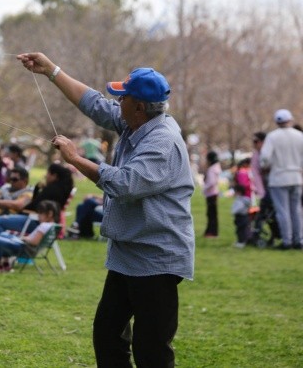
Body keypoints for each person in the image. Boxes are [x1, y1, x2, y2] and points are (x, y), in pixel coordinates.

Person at [18, 52, 195, 367]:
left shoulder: (162, 142)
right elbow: (95, 104)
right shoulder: (136, 122)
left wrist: (74, 158)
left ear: (139, 107)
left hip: (157, 256)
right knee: (107, 335)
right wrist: (52, 71)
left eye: (123, 96)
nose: (118, 101)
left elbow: (125, 184)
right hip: (128, 253)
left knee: (151, 349)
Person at [259, 109, 303, 250]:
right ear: (290, 120)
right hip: (296, 177)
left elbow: (265, 158)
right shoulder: (299, 136)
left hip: (278, 178)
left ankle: (287, 240)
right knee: (296, 210)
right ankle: (299, 239)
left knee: (282, 211)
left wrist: (265, 166)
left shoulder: (272, 137)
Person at [0, 162, 74, 236]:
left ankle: (6, 245)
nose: (46, 175)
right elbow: (37, 203)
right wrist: (37, 190)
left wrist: (22, 209)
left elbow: (34, 205)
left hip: (35, 222)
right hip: (44, 224)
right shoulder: (60, 191)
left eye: (48, 173)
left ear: (54, 176)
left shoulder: (50, 191)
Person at [0, 199, 60, 274]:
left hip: (24, 249)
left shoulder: (44, 226)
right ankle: (6, 265)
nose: (38, 216)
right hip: (28, 247)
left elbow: (34, 242)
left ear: (50, 214)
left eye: (40, 213)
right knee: (3, 234)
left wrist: (24, 238)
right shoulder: (53, 226)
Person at [203, 151, 221, 238]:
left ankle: (212, 232)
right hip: (214, 193)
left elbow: (211, 182)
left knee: (211, 214)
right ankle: (212, 231)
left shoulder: (211, 169)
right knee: (213, 213)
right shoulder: (216, 167)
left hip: (211, 194)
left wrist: (204, 188)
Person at [232, 184, 251, 249]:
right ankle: (241, 241)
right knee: (241, 230)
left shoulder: (240, 200)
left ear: (238, 192)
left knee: (240, 230)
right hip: (244, 216)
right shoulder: (244, 200)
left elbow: (238, 208)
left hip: (241, 217)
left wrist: (233, 211)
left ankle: (241, 242)